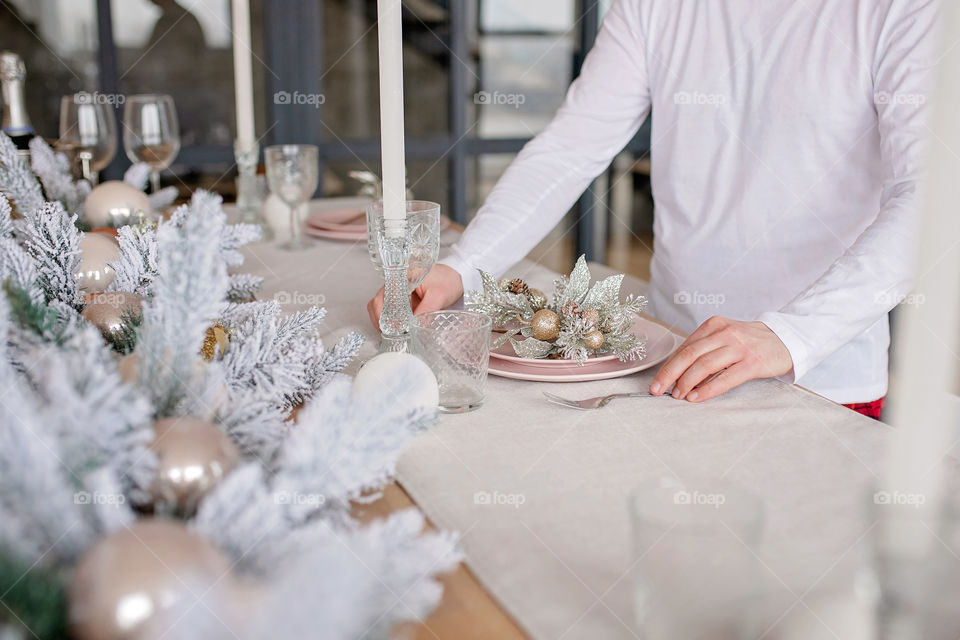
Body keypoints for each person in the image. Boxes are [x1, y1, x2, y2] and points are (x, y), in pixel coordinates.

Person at [367, 0, 938, 417]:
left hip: (819, 377)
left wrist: (791, 335)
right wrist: (459, 268)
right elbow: (569, 150)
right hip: (665, 362)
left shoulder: (907, 9)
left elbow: (930, 195)